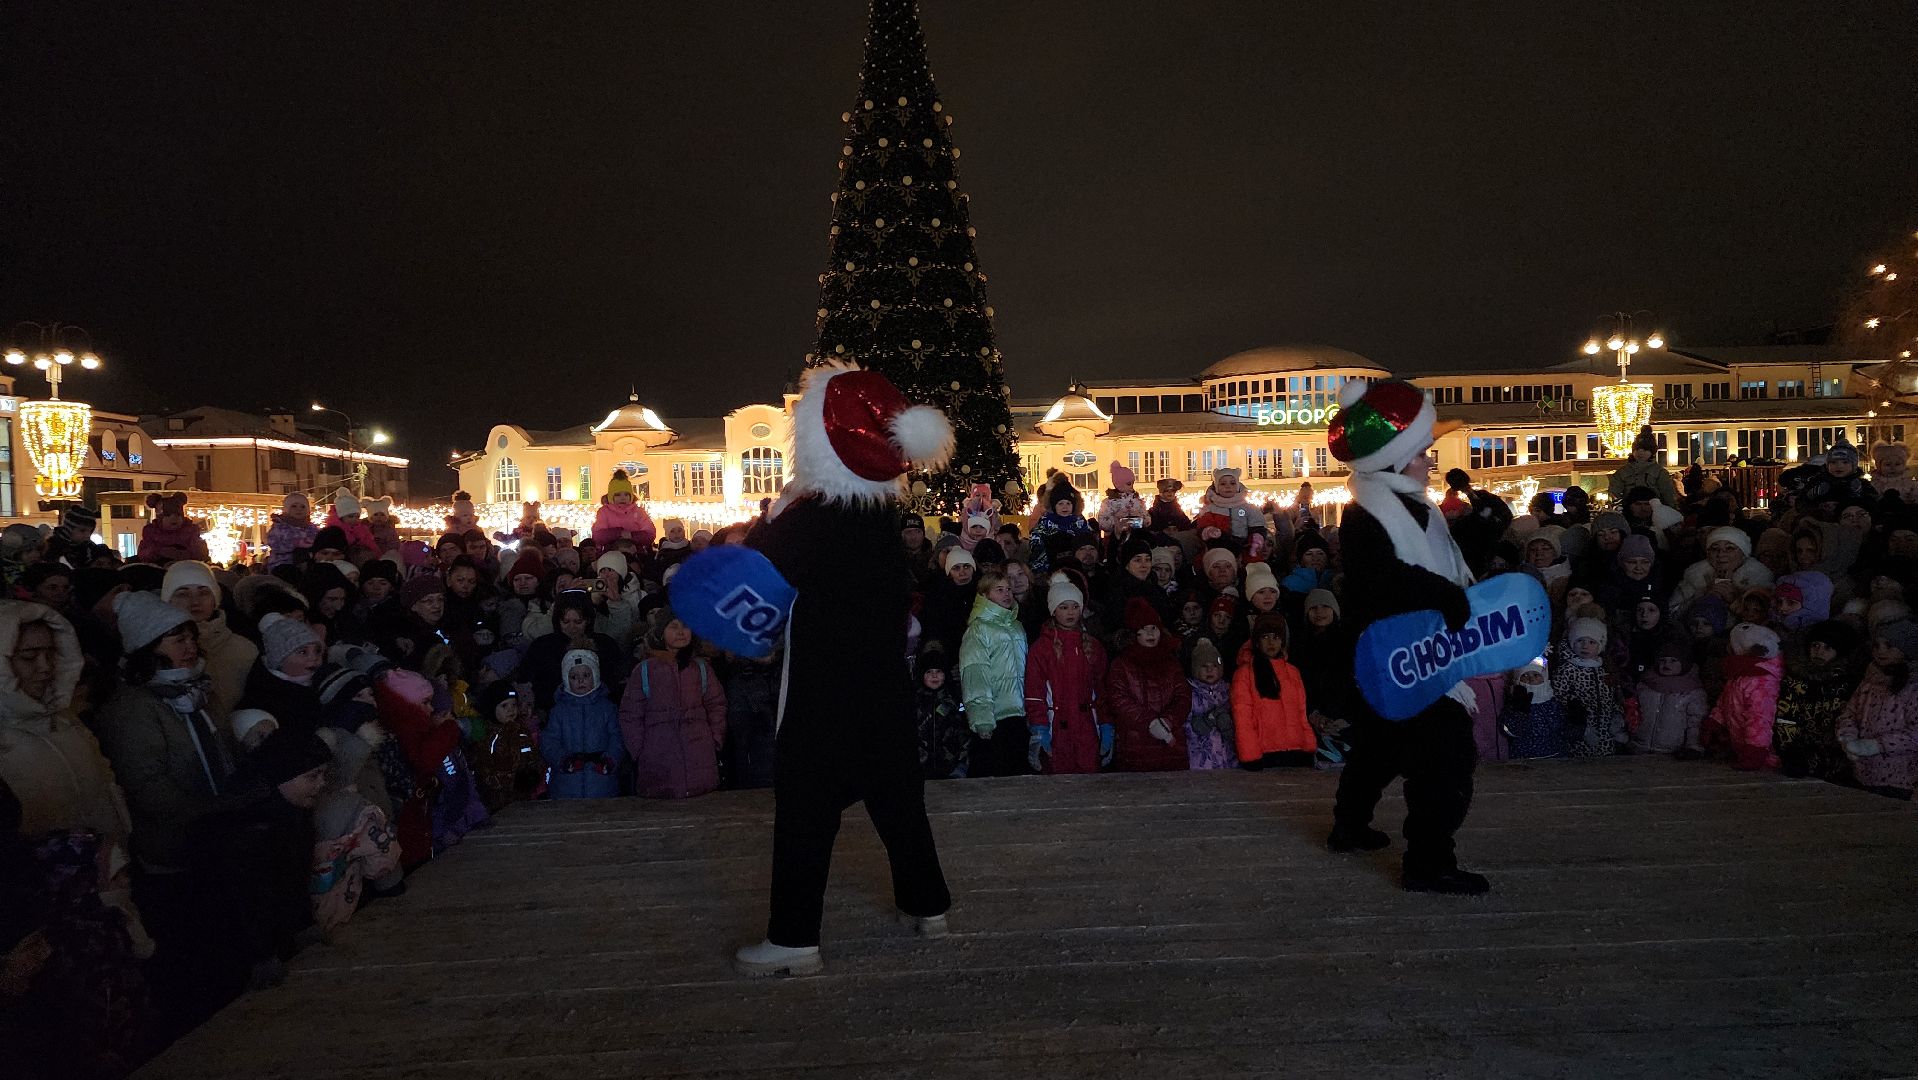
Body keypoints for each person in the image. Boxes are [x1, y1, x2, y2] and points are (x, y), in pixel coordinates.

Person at [735, 363, 953, 977]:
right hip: (882, 679)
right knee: (898, 798)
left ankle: (794, 938)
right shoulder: (880, 518)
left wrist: (772, 518)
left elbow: (752, 568)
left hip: (821, 685)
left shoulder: (808, 517)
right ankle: (928, 905)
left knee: (805, 806)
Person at [1323, 379, 1490, 894]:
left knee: (1383, 745)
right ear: (1394, 461)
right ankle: (1428, 861)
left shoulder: (1422, 507)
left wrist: (1483, 525)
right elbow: (1381, 581)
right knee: (1445, 753)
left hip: (1411, 647)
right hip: (1399, 652)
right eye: (1421, 453)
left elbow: (1451, 567)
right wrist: (1442, 593)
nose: (1428, 461)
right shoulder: (1365, 514)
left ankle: (1349, 825)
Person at [0, 601, 130, 841]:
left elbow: (104, 781)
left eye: (51, 654)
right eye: (29, 657)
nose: (45, 667)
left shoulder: (63, 718)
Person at [620, 610, 726, 800]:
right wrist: (639, 750)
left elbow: (716, 704)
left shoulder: (701, 668)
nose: (681, 632)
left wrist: (715, 739)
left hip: (700, 759)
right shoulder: (644, 670)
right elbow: (630, 714)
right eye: (673, 626)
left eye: (685, 626)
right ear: (661, 632)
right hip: (657, 761)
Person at [1023, 573, 1109, 775]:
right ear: (1053, 611)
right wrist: (1039, 727)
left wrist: (1106, 722)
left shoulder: (1093, 646)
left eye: (1075, 606)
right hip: (1056, 728)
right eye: (1063, 607)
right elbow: (1035, 691)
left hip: (1088, 727)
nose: (1070, 612)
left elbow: (1102, 688)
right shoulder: (1042, 648)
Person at [163, 560, 257, 733]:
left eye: (204, 592)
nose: (195, 601)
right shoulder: (159, 651)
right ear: (167, 599)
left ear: (216, 599)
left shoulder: (245, 650)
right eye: (183, 594)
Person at [958, 569, 1028, 777]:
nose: (1007, 594)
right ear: (985, 595)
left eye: (1008, 589)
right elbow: (975, 673)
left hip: (1018, 711)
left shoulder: (1017, 627)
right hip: (995, 714)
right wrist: (981, 717)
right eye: (999, 590)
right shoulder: (978, 629)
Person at [1837, 618, 1918, 799]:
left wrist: (1876, 745)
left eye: (1889, 645)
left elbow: (1915, 733)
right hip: (1863, 772)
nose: (1880, 651)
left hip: (1900, 778)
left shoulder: (1913, 687)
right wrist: (1848, 738)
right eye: (1876, 645)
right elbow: (1850, 713)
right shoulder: (1870, 680)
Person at [1106, 599, 1190, 771]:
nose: (1150, 634)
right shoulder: (1122, 664)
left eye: (1154, 628)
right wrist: (1149, 722)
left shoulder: (1171, 662)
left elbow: (1183, 696)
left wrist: (1168, 721)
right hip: (1135, 746)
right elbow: (1118, 699)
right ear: (1133, 633)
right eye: (1143, 629)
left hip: (1170, 745)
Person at [1773, 619, 1863, 780]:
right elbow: (1787, 718)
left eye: (1827, 648)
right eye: (1815, 645)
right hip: (1803, 753)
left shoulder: (1847, 684)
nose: (1819, 652)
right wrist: (1789, 749)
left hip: (1840, 755)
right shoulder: (1796, 682)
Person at [1231, 611, 1315, 769]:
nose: (1271, 642)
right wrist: (1250, 756)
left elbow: (1301, 713)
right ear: (1256, 642)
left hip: (1296, 751)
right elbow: (1243, 718)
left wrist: (1309, 746)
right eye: (1265, 637)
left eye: (1276, 637)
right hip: (1264, 754)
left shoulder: (1293, 672)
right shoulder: (1244, 674)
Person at [543, 649, 625, 799]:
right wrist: (562, 760)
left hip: (602, 783)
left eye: (586, 675)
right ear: (566, 680)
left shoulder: (607, 708)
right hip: (566, 785)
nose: (580, 681)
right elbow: (549, 741)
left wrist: (611, 759)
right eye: (574, 677)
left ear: (595, 676)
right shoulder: (558, 711)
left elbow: (617, 737)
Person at [1703, 623, 1783, 770]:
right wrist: (1715, 721)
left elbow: (1760, 718)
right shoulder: (1739, 674)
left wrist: (1755, 750)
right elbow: (1726, 701)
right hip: (1740, 750)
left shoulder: (1761, 680)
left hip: (1762, 757)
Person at [1631, 636, 1707, 755]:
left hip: (1672, 752)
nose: (1667, 664)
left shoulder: (1692, 691)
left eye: (1673, 660)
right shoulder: (1645, 685)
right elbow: (1632, 712)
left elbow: (1695, 722)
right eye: (1662, 660)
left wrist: (1692, 746)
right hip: (1639, 747)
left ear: (1684, 663)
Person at [912, 643, 967, 781]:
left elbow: (964, 731)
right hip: (922, 767)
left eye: (939, 671)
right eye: (929, 672)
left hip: (951, 766)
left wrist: (961, 762)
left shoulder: (955, 698)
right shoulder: (915, 700)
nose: (934, 676)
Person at [1183, 639, 1237, 769]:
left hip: (1227, 758)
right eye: (1204, 666)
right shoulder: (1189, 692)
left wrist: (1229, 726)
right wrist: (1201, 724)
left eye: (1214, 666)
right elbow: (1184, 722)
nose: (1209, 670)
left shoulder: (1228, 691)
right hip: (1201, 760)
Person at [1500, 659, 1568, 758]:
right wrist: (1518, 713)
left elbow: (1566, 732)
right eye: (1525, 676)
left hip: (1555, 758)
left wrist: (1578, 723)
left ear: (1544, 678)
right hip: (1524, 760)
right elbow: (1507, 730)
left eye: (1536, 675)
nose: (1531, 680)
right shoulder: (1513, 705)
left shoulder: (1554, 704)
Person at [137, 492, 211, 565]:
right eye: (168, 515)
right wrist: (159, 551)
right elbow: (144, 553)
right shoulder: (152, 533)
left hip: (186, 567)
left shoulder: (190, 531)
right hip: (159, 569)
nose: (174, 518)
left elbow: (201, 552)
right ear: (161, 518)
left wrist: (184, 554)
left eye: (178, 515)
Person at [264, 492, 319, 570]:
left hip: (306, 561)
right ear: (287, 509)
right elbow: (274, 543)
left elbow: (318, 540)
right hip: (282, 562)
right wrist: (295, 544)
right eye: (294, 506)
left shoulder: (311, 528)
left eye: (303, 507)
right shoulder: (279, 526)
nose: (298, 509)